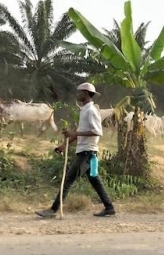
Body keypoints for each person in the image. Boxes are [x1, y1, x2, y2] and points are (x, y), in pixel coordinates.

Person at [35, 82, 115, 218]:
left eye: (79, 92)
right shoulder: (84, 110)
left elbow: (97, 131)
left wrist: (75, 134)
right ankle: (109, 207)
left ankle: (53, 210)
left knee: (68, 180)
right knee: (95, 179)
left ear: (85, 93)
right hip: (89, 153)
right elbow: (80, 131)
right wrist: (64, 145)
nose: (77, 95)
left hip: (87, 153)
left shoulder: (91, 110)